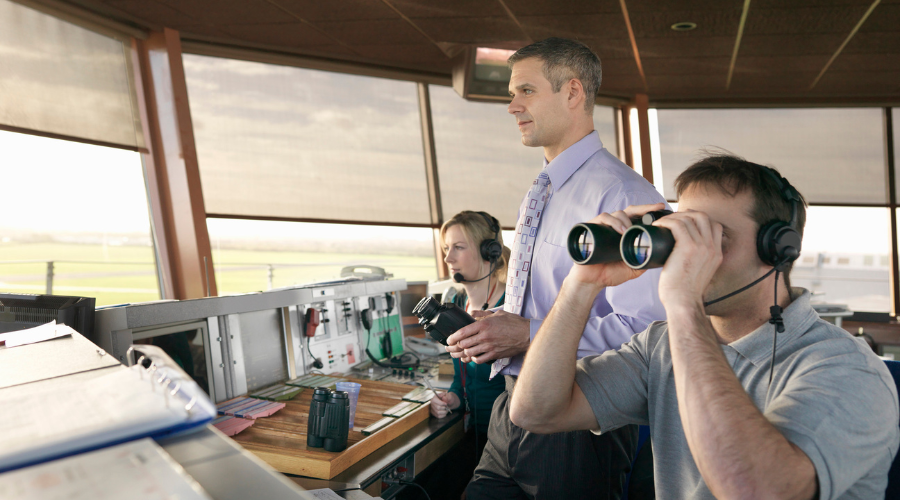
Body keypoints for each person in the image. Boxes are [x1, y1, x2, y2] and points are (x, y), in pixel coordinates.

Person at [510, 154, 900, 499]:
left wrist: (683, 303)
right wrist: (582, 284)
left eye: (712, 237)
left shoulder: (848, 370)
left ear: (777, 250)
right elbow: (536, 411)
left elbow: (754, 491)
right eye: (681, 232)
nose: (689, 252)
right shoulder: (662, 345)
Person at [446, 38, 668, 499]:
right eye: (513, 93)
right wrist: (497, 327)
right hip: (514, 400)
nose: (511, 106)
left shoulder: (622, 196)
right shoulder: (543, 189)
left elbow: (648, 329)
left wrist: (528, 333)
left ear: (572, 93)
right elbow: (538, 301)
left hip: (577, 415)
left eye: (525, 91)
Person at [410, 211, 509, 500]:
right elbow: (457, 373)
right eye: (445, 249)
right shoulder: (454, 303)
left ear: (488, 251)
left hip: (505, 436)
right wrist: (452, 396)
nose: (448, 258)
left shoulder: (511, 308)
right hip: (472, 432)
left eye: (458, 247)